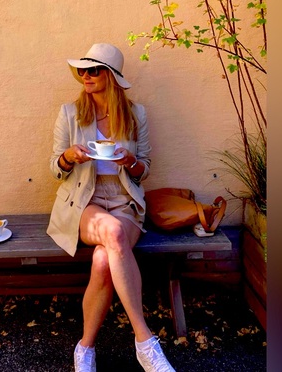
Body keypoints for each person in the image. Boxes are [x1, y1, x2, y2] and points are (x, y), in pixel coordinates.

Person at [47, 43, 176, 372]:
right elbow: (54, 169)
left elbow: (144, 169)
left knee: (104, 259)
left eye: (94, 70)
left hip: (123, 199)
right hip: (84, 201)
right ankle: (145, 342)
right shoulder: (70, 113)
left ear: (112, 76)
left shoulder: (136, 114)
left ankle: (85, 348)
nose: (86, 76)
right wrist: (68, 157)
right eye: (82, 70)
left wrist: (130, 161)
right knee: (113, 232)